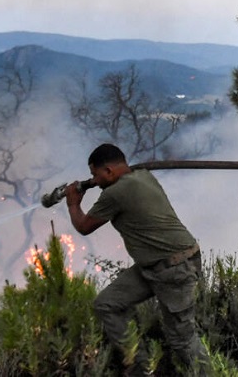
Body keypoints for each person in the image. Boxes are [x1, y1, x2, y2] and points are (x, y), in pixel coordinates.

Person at [64, 143, 208, 376]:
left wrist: (73, 203)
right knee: (106, 304)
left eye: (95, 175)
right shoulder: (142, 176)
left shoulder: (115, 193)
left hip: (173, 268)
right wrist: (93, 184)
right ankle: (142, 366)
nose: (95, 181)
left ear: (109, 171)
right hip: (153, 267)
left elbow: (83, 226)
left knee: (182, 340)